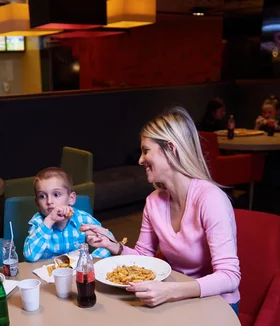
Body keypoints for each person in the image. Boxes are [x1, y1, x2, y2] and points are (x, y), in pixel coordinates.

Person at [81, 107, 241, 313]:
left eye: (146, 150)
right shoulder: (154, 201)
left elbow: (230, 277)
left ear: (171, 149)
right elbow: (143, 258)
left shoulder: (211, 199)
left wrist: (170, 291)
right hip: (175, 298)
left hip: (217, 304)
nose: (140, 160)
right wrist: (113, 246)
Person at [24, 167, 112, 262]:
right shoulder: (38, 222)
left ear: (71, 198)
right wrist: (50, 220)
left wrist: (89, 260)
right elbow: (30, 255)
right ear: (37, 203)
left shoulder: (83, 218)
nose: (49, 201)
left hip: (76, 272)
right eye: (42, 196)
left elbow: (109, 242)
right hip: (47, 273)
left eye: (56, 194)